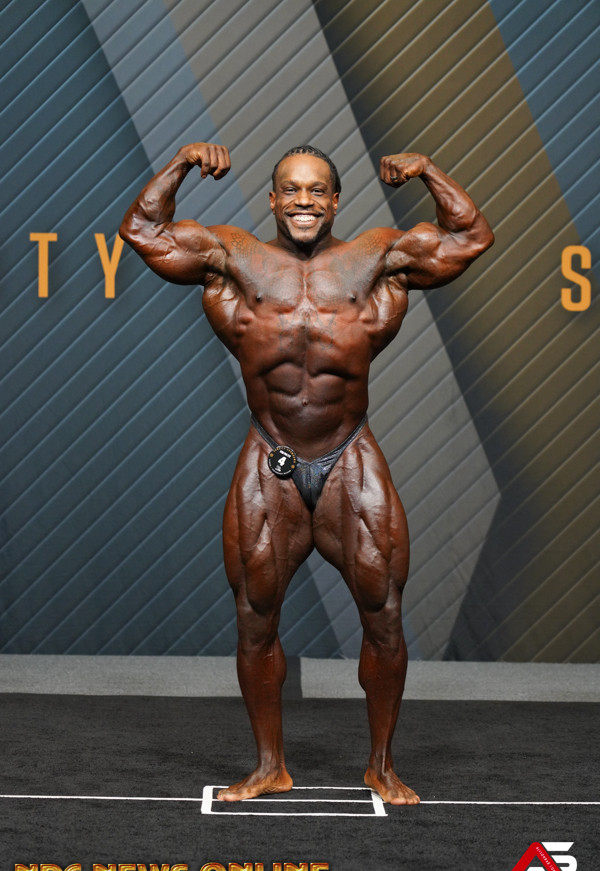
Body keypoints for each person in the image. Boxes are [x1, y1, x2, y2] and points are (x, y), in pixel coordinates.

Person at [120, 142, 493, 805]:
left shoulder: (376, 256)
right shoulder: (233, 257)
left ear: (335, 201)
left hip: (350, 456)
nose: (303, 200)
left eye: (317, 190)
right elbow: (143, 230)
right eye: (291, 189)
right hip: (271, 457)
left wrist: (429, 171)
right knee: (254, 619)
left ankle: (381, 765)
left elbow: (470, 236)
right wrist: (180, 163)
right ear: (272, 199)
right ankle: (270, 765)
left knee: (384, 616)